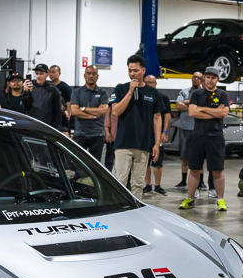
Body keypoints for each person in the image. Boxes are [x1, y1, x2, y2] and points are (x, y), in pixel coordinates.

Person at [109, 55, 162, 199]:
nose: (132, 73)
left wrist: (157, 143)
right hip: (123, 144)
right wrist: (130, 92)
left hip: (143, 144)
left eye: (135, 70)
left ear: (143, 70)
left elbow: (157, 118)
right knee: (120, 180)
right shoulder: (120, 89)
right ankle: (119, 206)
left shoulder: (153, 93)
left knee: (138, 183)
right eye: (130, 70)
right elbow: (115, 111)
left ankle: (136, 207)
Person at [181, 66, 230, 212]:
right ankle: (190, 198)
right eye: (207, 77)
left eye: (213, 78)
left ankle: (220, 200)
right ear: (204, 78)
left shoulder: (223, 94)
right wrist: (215, 112)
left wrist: (202, 109)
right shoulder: (196, 94)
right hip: (198, 136)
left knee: (217, 170)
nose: (210, 80)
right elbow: (192, 112)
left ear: (217, 79)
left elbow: (223, 113)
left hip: (216, 137)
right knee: (194, 169)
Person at [170, 71, 203, 190]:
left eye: (198, 77)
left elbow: (204, 107)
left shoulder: (204, 92)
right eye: (194, 77)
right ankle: (183, 181)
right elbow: (178, 106)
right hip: (185, 128)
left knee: (199, 156)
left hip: (199, 129)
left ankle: (201, 182)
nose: (196, 79)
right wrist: (194, 105)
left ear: (202, 80)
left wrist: (187, 102)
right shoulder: (184, 91)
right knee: (184, 157)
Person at [69, 64, 108, 160]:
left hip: (98, 135)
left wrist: (83, 109)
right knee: (78, 163)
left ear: (97, 76)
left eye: (94, 74)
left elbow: (103, 110)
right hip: (80, 135)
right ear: (84, 75)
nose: (91, 76)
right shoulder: (76, 92)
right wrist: (94, 115)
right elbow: (74, 111)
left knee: (95, 165)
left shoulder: (103, 93)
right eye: (88, 73)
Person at [143, 74, 170, 195]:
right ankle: (147, 185)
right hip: (144, 134)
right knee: (145, 161)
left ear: (156, 84)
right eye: (147, 82)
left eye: (151, 82)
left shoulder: (162, 97)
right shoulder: (141, 96)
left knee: (157, 162)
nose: (149, 85)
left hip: (157, 134)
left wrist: (165, 132)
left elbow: (167, 116)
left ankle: (158, 186)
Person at [28, 63, 65, 130]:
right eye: (37, 73)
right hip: (32, 125)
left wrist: (58, 128)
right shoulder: (31, 87)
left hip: (47, 126)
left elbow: (57, 111)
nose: (38, 76)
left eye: (41, 74)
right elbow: (25, 106)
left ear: (47, 74)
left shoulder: (53, 89)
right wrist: (25, 92)